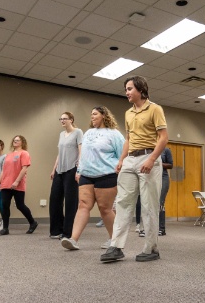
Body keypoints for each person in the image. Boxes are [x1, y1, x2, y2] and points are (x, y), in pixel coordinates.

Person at [101, 76, 168, 263]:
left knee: (148, 206)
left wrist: (152, 159)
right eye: (125, 89)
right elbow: (128, 139)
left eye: (130, 89)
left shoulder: (155, 109)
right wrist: (122, 160)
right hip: (130, 159)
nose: (127, 92)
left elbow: (163, 137)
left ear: (140, 89)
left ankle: (151, 248)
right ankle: (116, 246)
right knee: (122, 203)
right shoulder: (128, 113)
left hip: (149, 158)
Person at [61, 106, 124, 251]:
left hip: (106, 174)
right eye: (91, 114)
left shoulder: (114, 134)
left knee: (105, 209)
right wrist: (79, 170)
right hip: (86, 174)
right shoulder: (88, 133)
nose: (92, 116)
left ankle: (114, 240)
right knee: (83, 205)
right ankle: (73, 239)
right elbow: (83, 153)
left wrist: (121, 172)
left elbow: (122, 155)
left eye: (95, 114)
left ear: (104, 115)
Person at [49, 112, 83, 239]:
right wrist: (54, 169)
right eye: (61, 119)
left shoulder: (78, 132)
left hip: (72, 169)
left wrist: (79, 169)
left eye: (65, 119)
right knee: (55, 200)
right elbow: (59, 153)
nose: (62, 121)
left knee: (70, 202)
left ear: (71, 120)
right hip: (60, 170)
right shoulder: (61, 134)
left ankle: (68, 232)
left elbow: (81, 150)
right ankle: (56, 230)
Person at [0, 135, 38, 235]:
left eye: (17, 140)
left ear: (22, 142)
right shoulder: (8, 155)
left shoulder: (24, 153)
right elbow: (4, 170)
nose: (15, 141)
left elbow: (24, 168)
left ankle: (33, 222)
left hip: (17, 184)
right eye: (14, 140)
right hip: (5, 184)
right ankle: (5, 228)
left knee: (20, 205)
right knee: (5, 205)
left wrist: (16, 181)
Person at [157, 148, 173, 236]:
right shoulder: (150, 149)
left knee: (160, 202)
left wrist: (158, 164)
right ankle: (148, 228)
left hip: (163, 178)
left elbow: (171, 165)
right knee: (149, 202)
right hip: (151, 178)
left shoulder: (166, 150)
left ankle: (161, 228)